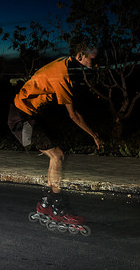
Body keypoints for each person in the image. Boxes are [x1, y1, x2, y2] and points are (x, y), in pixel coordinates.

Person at [8, 41, 103, 223]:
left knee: (57, 156)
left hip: (26, 116)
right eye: (94, 59)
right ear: (80, 55)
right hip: (21, 119)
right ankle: (58, 209)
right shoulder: (63, 74)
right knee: (57, 156)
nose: (96, 63)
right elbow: (73, 115)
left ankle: (45, 204)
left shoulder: (65, 63)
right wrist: (94, 135)